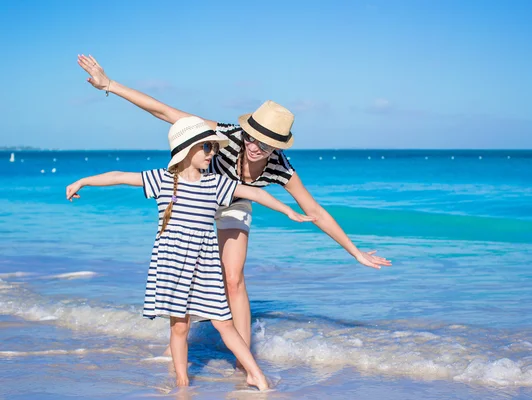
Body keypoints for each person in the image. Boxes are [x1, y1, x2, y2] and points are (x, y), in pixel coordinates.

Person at [77, 54, 392, 361]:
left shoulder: (281, 169)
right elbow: (164, 111)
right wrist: (109, 85)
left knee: (233, 277)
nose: (254, 146)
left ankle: (243, 355)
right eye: (253, 137)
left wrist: (355, 252)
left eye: (266, 144)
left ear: (278, 147)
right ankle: (177, 344)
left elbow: (317, 212)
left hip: (237, 201)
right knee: (185, 269)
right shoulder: (227, 135)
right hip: (195, 195)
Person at [65, 117, 315, 389]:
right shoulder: (162, 179)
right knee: (180, 327)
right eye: (207, 148)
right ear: (188, 150)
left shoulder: (216, 184)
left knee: (224, 323)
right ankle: (182, 383)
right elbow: (120, 177)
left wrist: (288, 210)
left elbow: (255, 194)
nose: (213, 153)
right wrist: (83, 181)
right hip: (172, 265)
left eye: (213, 148)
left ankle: (256, 375)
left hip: (205, 265)